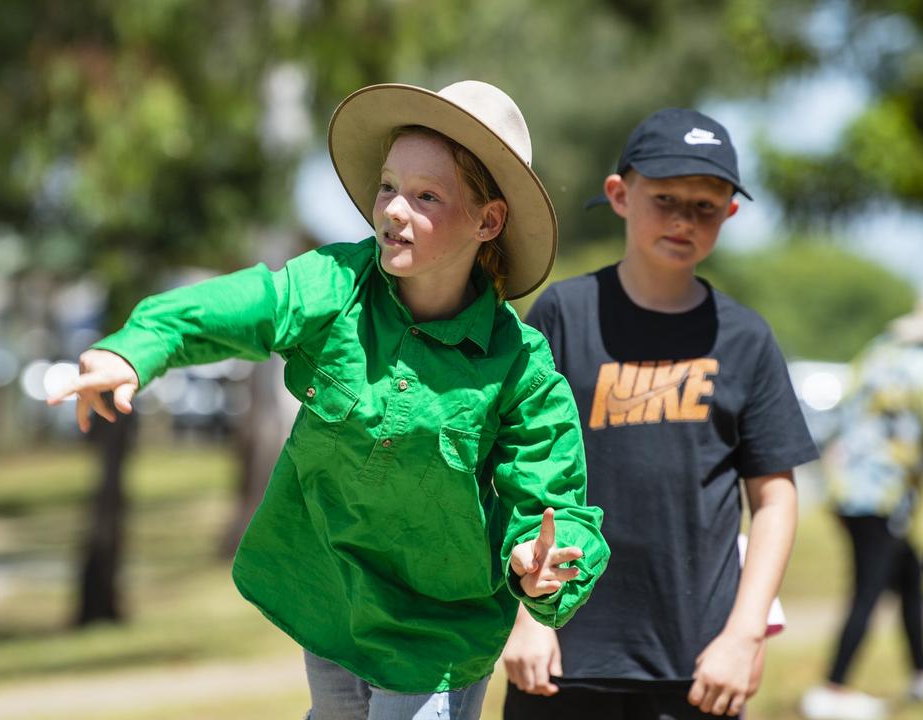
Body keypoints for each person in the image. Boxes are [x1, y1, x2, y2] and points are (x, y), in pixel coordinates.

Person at [47, 80, 610, 720]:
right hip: (331, 598)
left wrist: (548, 569)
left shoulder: (523, 370)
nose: (395, 209)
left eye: (427, 196)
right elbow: (249, 307)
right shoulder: (336, 284)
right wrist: (137, 346)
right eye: (388, 186)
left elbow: (556, 508)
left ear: (488, 220)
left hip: (437, 635)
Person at [501, 107, 816, 720]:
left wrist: (744, 635)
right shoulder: (564, 314)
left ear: (729, 213)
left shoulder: (746, 338)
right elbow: (510, 475)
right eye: (665, 197)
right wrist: (525, 618)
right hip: (562, 652)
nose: (683, 219)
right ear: (620, 195)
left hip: (700, 664)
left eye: (705, 205)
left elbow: (775, 498)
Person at [801, 277, 923, 720]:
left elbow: (842, 412)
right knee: (868, 590)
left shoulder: (881, 352)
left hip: (847, 490)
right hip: (882, 497)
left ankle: (922, 673)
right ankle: (833, 686)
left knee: (906, 579)